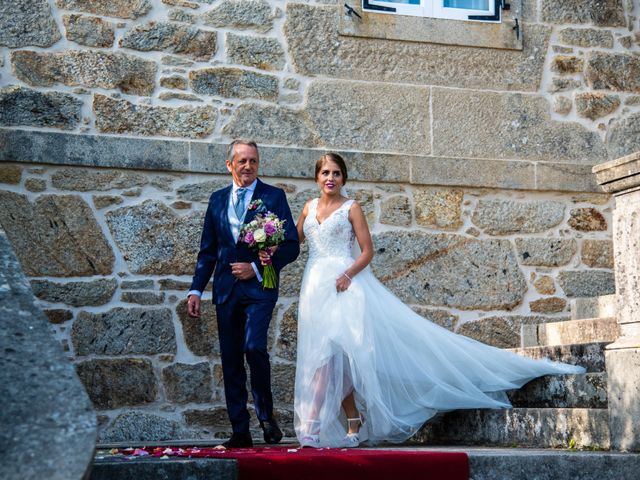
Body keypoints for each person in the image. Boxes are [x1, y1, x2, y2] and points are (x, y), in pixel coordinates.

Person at [293, 152, 585, 448]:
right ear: (316, 178)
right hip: (315, 288)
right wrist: (265, 244)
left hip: (345, 288)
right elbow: (294, 243)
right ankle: (354, 420)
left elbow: (367, 252)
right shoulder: (308, 208)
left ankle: (311, 427)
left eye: (336, 173)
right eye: (325, 173)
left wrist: (348, 274)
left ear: (343, 178)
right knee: (327, 356)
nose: (330, 178)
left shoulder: (351, 208)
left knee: (329, 359)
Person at [188, 139, 300, 449]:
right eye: (242, 161)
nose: (248, 166)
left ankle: (265, 414)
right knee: (231, 358)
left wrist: (255, 264)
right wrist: (196, 288)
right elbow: (207, 251)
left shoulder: (272, 196)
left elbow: (291, 245)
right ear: (230, 165)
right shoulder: (217, 200)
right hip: (225, 290)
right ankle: (240, 430)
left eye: (253, 161)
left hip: (260, 285)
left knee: (254, 347)